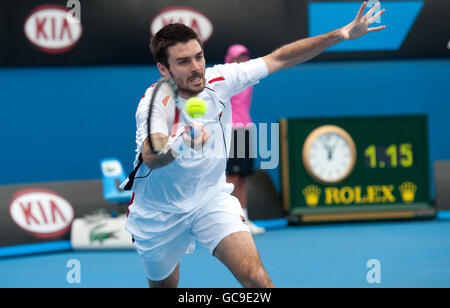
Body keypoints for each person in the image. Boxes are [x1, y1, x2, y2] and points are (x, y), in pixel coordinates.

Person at [122, 1, 385, 288]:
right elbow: (151, 154)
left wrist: (341, 34)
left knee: (257, 279)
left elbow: (280, 58)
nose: (196, 67)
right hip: (158, 213)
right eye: (183, 61)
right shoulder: (154, 102)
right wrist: (182, 143)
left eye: (199, 57)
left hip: (210, 199)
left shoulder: (221, 79)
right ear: (164, 69)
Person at [224, 44, 266, 235]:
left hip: (246, 129)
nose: (241, 60)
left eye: (244, 57)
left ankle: (244, 218)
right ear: (230, 59)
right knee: (230, 178)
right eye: (237, 57)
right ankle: (227, 219)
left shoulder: (249, 76)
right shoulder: (225, 77)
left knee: (243, 177)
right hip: (230, 131)